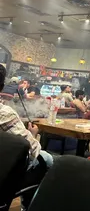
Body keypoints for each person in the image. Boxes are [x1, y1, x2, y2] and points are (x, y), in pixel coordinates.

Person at [0, 65, 53, 207]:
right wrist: (33, 135)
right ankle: (29, 206)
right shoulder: (5, 113)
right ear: (2, 87)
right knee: (46, 158)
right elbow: (31, 151)